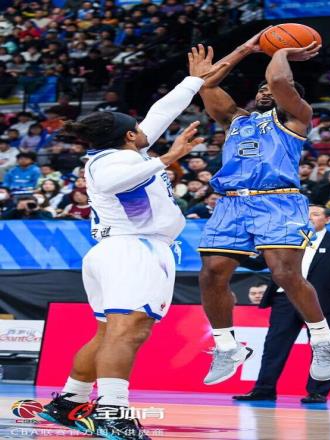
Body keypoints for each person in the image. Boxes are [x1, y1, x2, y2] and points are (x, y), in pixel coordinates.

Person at [38, 56, 223, 439]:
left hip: (122, 250)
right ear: (128, 136)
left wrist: (193, 81)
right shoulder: (110, 162)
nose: (145, 131)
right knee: (127, 333)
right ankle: (113, 413)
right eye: (138, 129)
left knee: (109, 333)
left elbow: (162, 112)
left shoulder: (126, 151)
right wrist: (168, 158)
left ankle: (70, 402)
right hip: (132, 250)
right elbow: (113, 183)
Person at [190, 38, 330, 386]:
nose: (264, 91)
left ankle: (324, 339)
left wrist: (281, 50)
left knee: (284, 273)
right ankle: (227, 346)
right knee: (211, 274)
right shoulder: (236, 120)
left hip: (278, 200)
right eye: (259, 89)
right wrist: (243, 50)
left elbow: (278, 80)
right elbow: (207, 85)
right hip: (230, 202)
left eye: (270, 90)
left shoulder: (296, 119)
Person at [233, 205, 330, 404]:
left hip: (321, 301)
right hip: (285, 299)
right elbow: (259, 263)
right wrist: (233, 253)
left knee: (323, 348)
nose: (309, 218)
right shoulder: (284, 240)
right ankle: (263, 389)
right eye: (304, 215)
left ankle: (318, 392)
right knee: (274, 346)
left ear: (328, 219)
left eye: (315, 214)